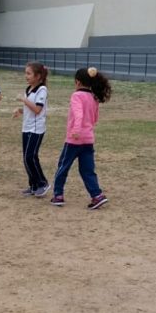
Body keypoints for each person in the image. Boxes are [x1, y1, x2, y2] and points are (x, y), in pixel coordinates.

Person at [50, 66, 111, 210]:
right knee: (88, 170)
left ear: (77, 82)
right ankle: (97, 195)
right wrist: (86, 128)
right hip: (88, 140)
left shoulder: (76, 96)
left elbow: (78, 114)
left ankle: (58, 195)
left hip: (74, 140)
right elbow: (95, 118)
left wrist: (76, 130)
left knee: (63, 167)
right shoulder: (93, 97)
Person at [13, 61, 50, 197]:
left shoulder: (42, 90)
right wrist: (20, 110)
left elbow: (37, 109)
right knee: (26, 157)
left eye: (29, 73)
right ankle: (33, 185)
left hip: (36, 129)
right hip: (26, 128)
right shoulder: (28, 89)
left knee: (30, 157)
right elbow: (30, 108)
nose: (26, 76)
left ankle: (42, 183)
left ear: (38, 76)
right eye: (26, 73)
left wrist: (23, 100)